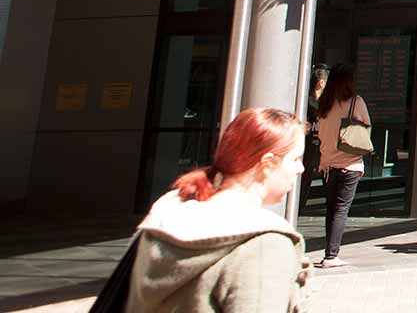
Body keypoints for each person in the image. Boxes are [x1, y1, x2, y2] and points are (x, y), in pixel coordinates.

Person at [127, 107, 308, 311]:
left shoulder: (164, 219)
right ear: (267, 164)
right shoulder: (264, 245)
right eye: (295, 159)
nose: (300, 169)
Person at [310, 63, 369, 269]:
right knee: (341, 209)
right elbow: (366, 125)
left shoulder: (325, 104)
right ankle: (331, 255)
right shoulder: (356, 101)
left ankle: (329, 252)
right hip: (349, 163)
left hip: (327, 164)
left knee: (331, 208)